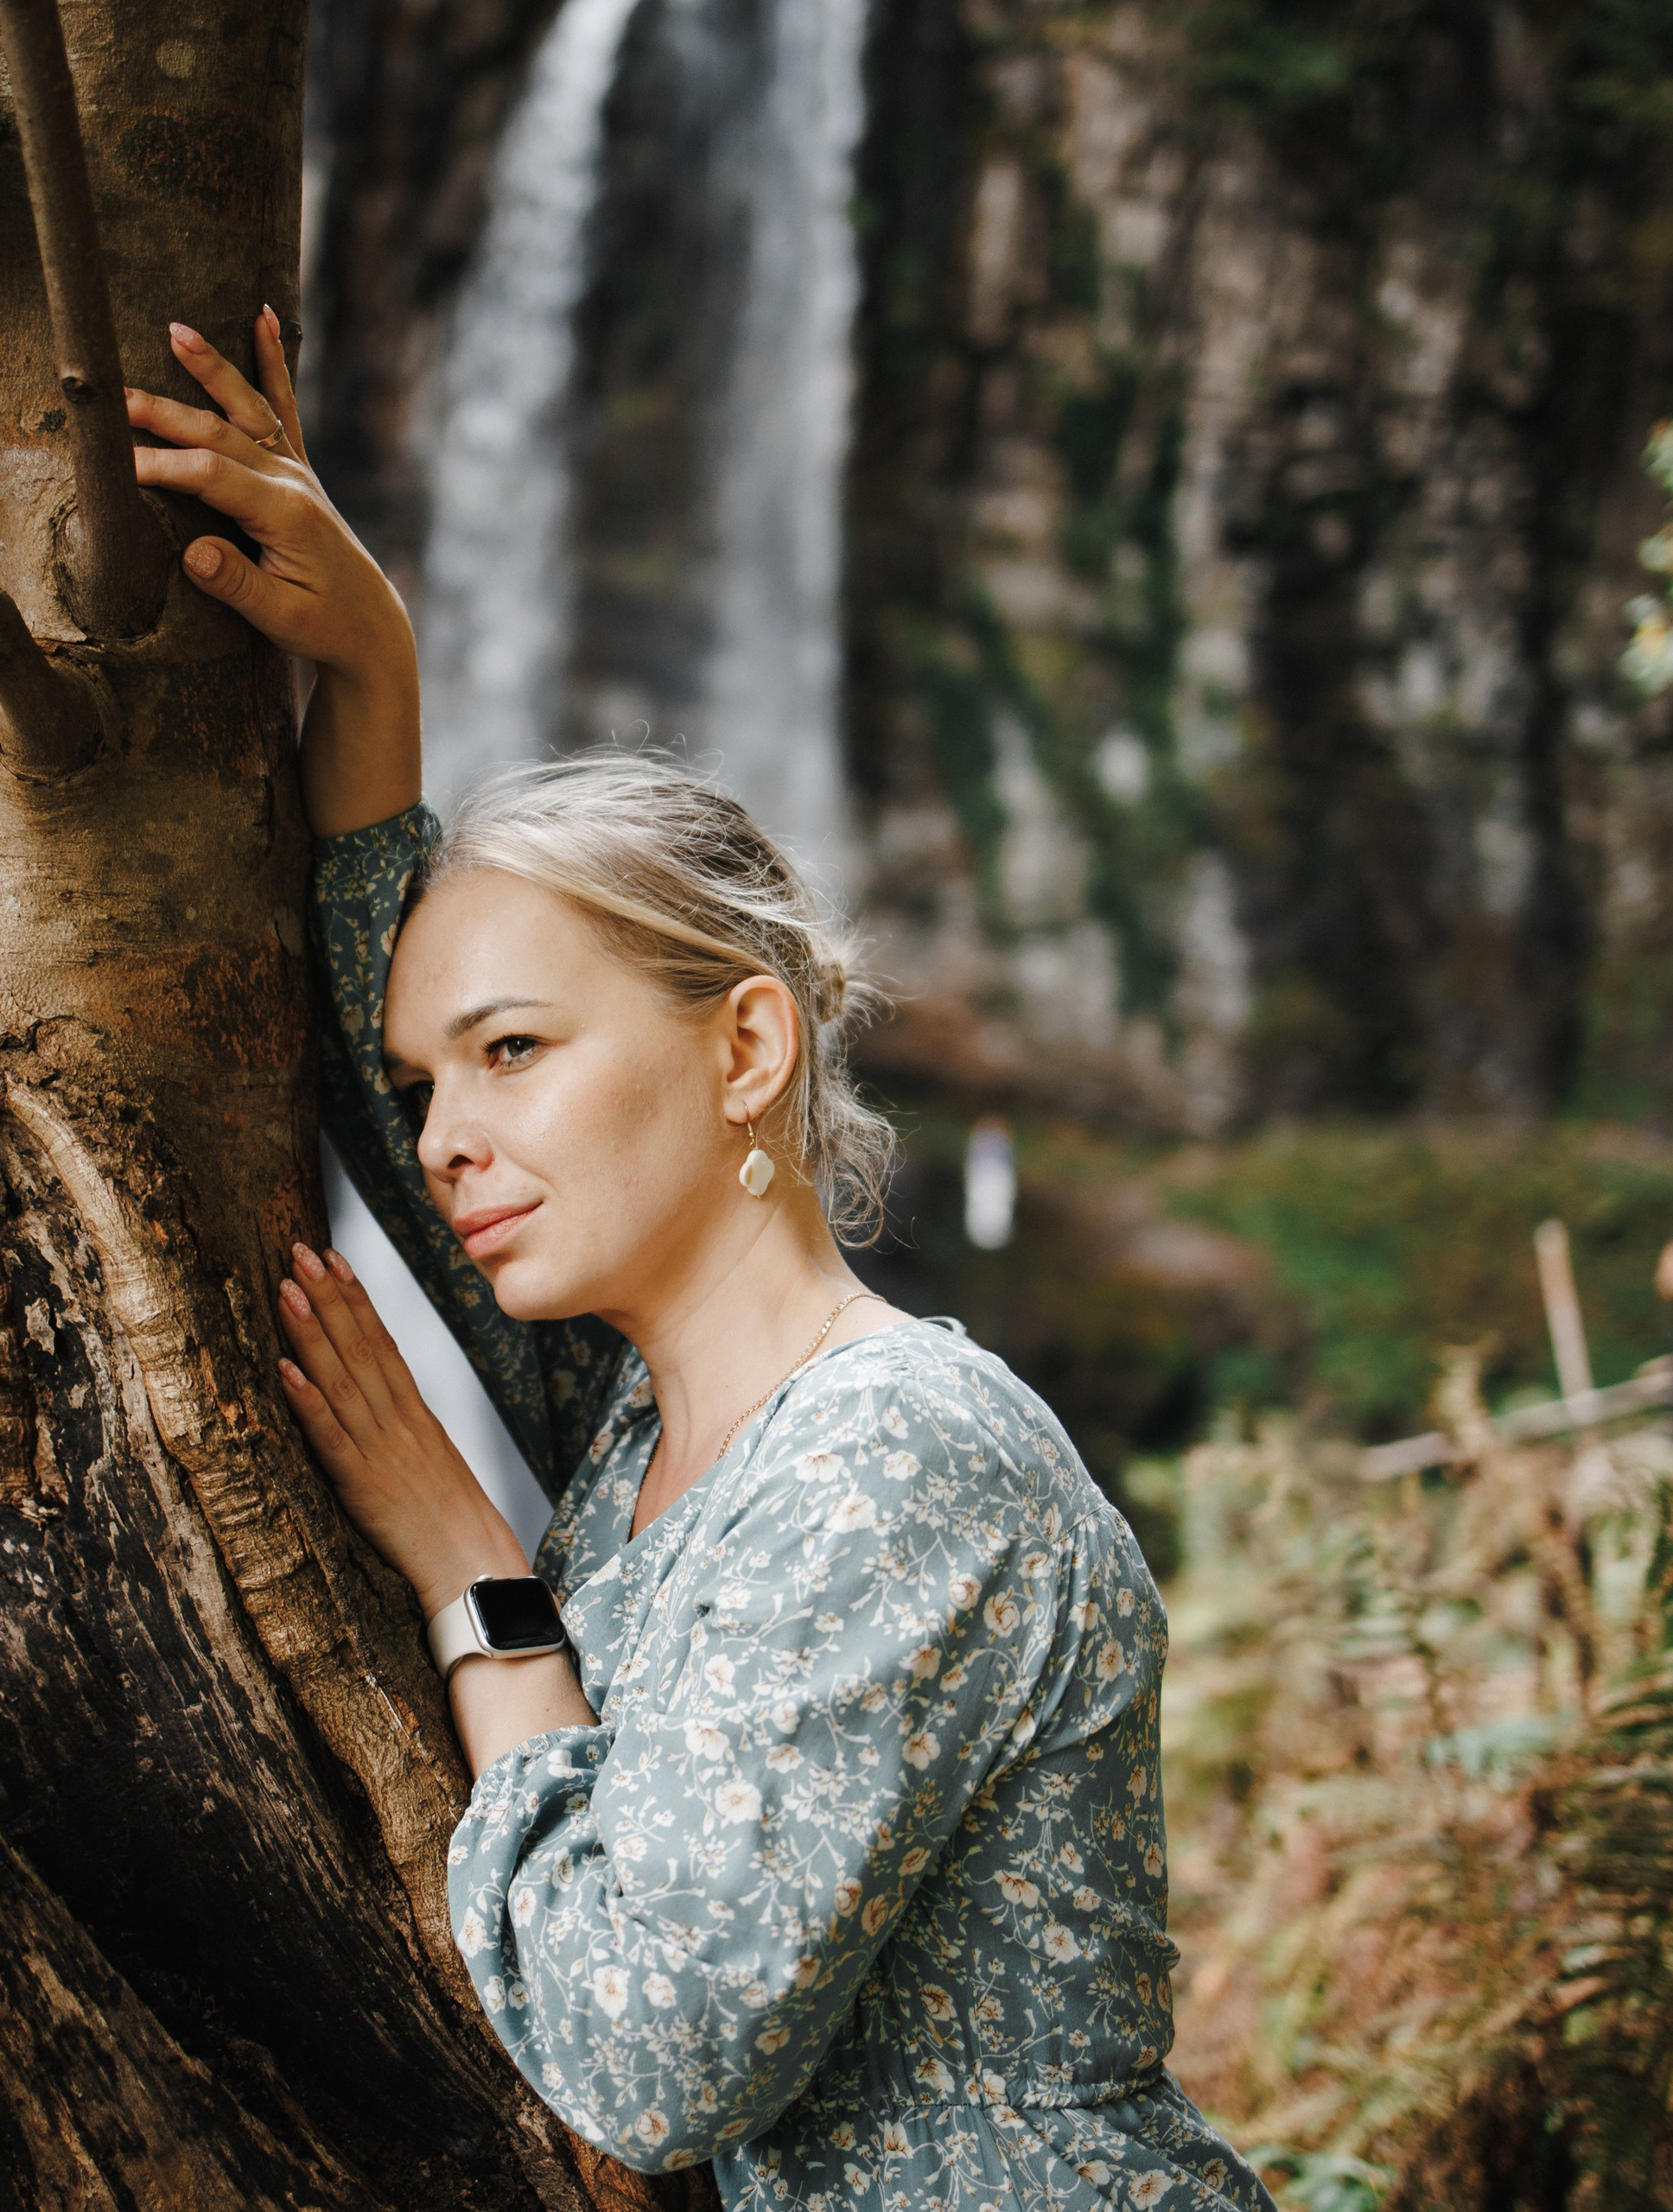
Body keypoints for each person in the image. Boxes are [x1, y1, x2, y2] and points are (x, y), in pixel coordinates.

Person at [123, 317, 1273, 2212]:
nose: (438, 1136)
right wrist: (368, 659)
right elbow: (349, 1035)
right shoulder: (638, 1421)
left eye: (512, 1052)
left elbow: (647, 2058)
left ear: (746, 1050)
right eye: (432, 1082)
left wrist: (480, 1587)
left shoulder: (897, 1460)